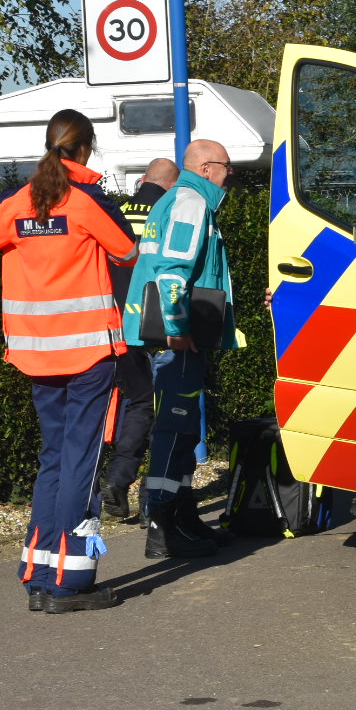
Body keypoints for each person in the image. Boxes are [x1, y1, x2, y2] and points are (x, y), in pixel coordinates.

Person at [0, 110, 138, 612]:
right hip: (90, 356)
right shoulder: (87, 201)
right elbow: (126, 250)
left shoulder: (18, 201)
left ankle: (39, 574)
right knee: (82, 459)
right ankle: (69, 582)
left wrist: (13, 220)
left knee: (55, 459)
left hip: (36, 356)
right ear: (85, 150)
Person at [123, 140, 240, 559]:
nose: (230, 176)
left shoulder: (181, 199)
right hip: (179, 338)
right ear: (207, 168)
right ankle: (164, 526)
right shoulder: (191, 202)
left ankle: (182, 516)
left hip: (183, 336)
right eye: (227, 168)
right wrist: (175, 326)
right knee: (174, 430)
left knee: (185, 429)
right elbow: (173, 270)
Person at [100, 157, 180, 523]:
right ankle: (146, 495)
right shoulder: (167, 213)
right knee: (150, 406)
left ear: (144, 179)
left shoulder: (113, 210)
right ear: (172, 185)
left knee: (101, 404)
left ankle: (96, 484)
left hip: (102, 321)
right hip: (149, 326)